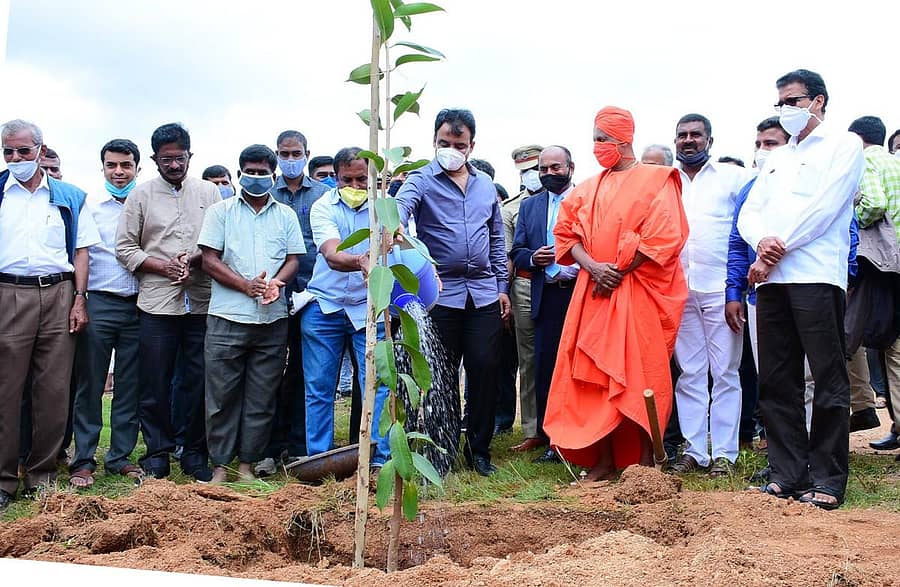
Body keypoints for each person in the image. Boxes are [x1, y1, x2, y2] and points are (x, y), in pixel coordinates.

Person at [737, 69, 865, 509]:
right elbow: (749, 212)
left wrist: (776, 247)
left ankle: (828, 479)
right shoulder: (776, 157)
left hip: (815, 275)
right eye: (781, 103)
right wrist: (760, 242)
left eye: (793, 101)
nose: (786, 110)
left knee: (828, 379)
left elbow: (827, 207)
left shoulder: (843, 146)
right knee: (776, 380)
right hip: (773, 282)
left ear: (818, 101)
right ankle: (786, 473)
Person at [543, 106, 688, 481]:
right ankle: (603, 462)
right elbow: (567, 235)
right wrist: (594, 268)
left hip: (636, 293)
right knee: (592, 377)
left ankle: (642, 463)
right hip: (594, 291)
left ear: (625, 140)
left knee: (639, 377)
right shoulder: (587, 188)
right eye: (594, 138)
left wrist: (619, 270)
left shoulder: (659, 179)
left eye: (603, 138)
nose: (597, 146)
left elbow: (665, 236)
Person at [395, 108, 511, 476]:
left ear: (471, 145)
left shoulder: (485, 186)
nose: (451, 149)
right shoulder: (420, 180)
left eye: (458, 144)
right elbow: (399, 209)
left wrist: (501, 286)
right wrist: (394, 228)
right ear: (434, 141)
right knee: (439, 374)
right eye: (444, 143)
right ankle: (439, 451)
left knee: (484, 368)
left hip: (483, 293)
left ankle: (478, 449)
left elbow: (495, 238)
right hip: (440, 293)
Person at [0, 119, 99, 509]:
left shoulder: (69, 197)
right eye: (8, 152)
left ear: (40, 152)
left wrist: (79, 299)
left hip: (58, 293)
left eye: (23, 151)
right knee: (6, 390)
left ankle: (41, 475)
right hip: (8, 292)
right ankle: (5, 479)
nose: (16, 159)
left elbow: (82, 252)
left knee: (54, 390)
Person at [116, 122, 220, 482]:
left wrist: (191, 261)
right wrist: (162, 266)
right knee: (155, 381)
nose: (174, 165)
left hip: (203, 300)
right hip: (157, 302)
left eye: (179, 158)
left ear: (190, 155)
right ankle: (157, 452)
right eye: (166, 159)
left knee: (199, 378)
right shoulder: (140, 195)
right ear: (154, 159)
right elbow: (125, 247)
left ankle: (193, 452)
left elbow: (218, 244)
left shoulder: (210, 193)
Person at [198, 144, 303, 483]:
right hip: (227, 316)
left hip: (272, 320)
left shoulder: (285, 215)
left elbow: (293, 260)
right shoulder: (221, 212)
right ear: (240, 172)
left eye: (263, 172)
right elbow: (209, 259)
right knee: (221, 397)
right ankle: (220, 467)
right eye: (250, 172)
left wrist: (276, 283)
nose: (256, 178)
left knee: (262, 396)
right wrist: (245, 286)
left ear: (273, 176)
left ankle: (247, 466)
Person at [671, 113, 751, 477]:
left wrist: (737, 287)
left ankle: (724, 454)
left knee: (725, 373)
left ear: (710, 141)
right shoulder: (666, 183)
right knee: (689, 373)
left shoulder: (734, 178)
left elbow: (747, 229)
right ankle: (693, 451)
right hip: (678, 292)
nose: (689, 141)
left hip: (722, 290)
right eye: (682, 136)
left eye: (696, 135)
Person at [302, 147, 390, 466]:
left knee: (377, 384)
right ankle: (320, 458)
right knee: (319, 386)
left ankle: (378, 457)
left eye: (361, 179)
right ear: (336, 178)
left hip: (370, 307)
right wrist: (361, 261)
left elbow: (399, 241)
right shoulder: (323, 206)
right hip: (325, 305)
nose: (354, 186)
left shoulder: (385, 208)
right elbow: (331, 253)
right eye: (346, 179)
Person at [68, 139, 144, 488]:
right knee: (91, 383)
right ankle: (83, 459)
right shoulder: (89, 206)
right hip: (99, 302)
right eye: (112, 165)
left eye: (125, 165)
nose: (119, 172)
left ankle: (120, 457)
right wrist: (80, 300)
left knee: (130, 385)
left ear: (136, 168)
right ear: (102, 168)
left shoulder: (146, 203)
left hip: (139, 305)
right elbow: (81, 253)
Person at [257, 130, 329, 476]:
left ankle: (300, 445)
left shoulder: (324, 195)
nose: (290, 159)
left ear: (306, 153)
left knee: (306, 372)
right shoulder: (266, 194)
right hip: (273, 293)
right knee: (271, 372)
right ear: (277, 155)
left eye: (295, 152)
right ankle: (270, 446)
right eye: (284, 153)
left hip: (315, 295)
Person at [510, 145, 578, 463]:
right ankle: (552, 439)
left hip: (581, 294)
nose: (549, 174)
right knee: (546, 367)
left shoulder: (587, 199)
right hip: (546, 294)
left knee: (580, 368)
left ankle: (580, 436)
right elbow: (518, 250)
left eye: (556, 168)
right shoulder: (531, 206)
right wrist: (533, 258)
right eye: (544, 169)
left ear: (571, 168)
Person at [846, 115, 900, 453]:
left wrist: (854, 214)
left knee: (882, 342)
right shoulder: (894, 162)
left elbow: (874, 203)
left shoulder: (866, 160)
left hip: (882, 266)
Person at [506, 144, 543, 451]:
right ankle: (532, 429)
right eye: (526, 170)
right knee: (528, 360)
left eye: (537, 167)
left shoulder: (577, 199)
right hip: (526, 286)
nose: (533, 175)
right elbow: (507, 257)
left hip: (564, 287)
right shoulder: (511, 208)